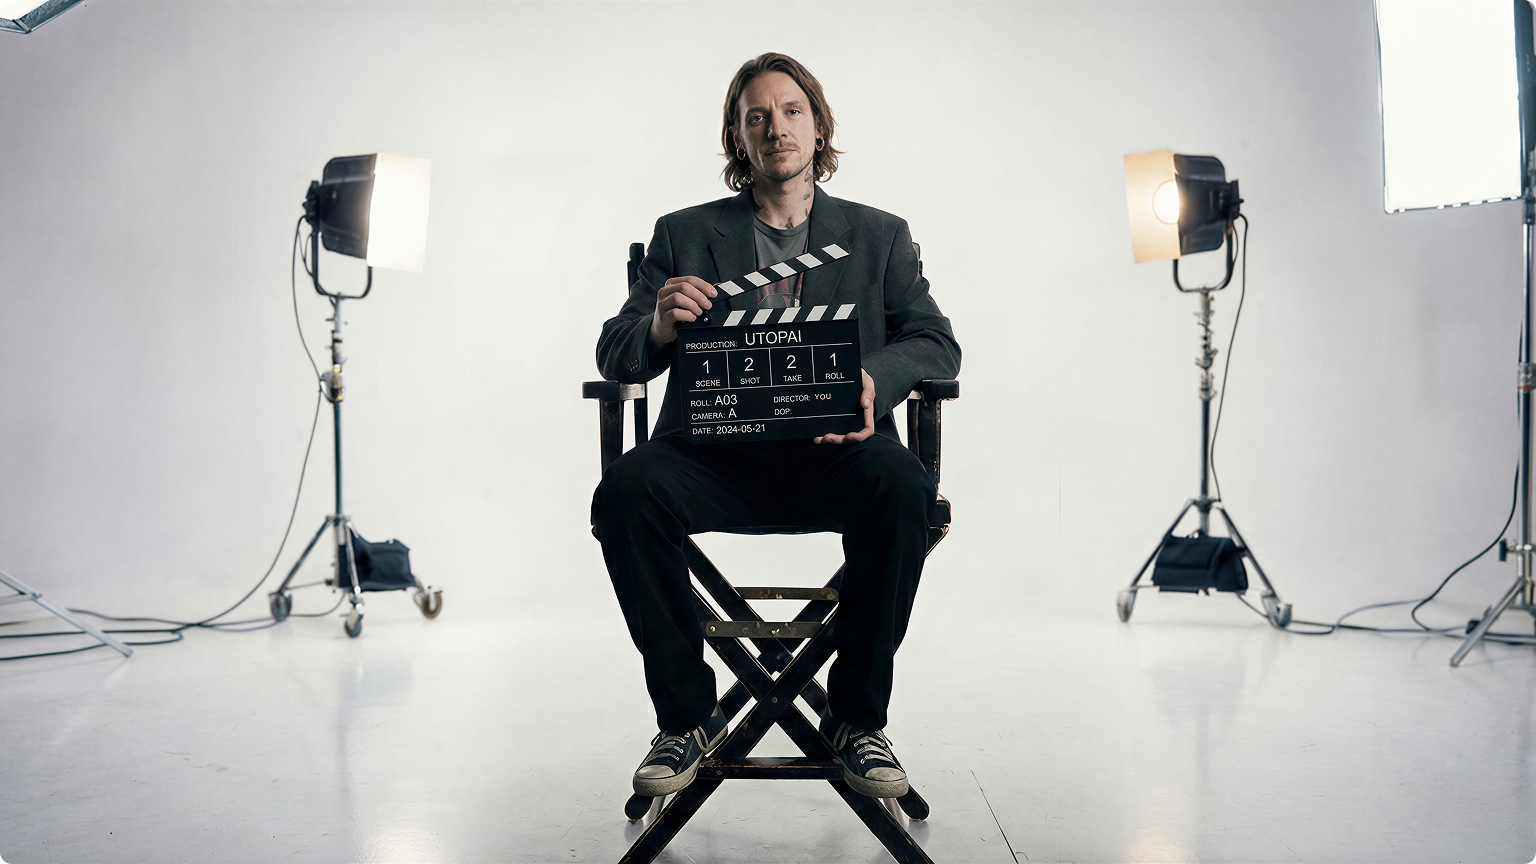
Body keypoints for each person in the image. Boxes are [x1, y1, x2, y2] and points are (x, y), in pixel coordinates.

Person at [591, 52, 961, 801]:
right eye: (755, 116)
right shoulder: (682, 235)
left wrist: (873, 379)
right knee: (626, 490)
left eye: (791, 110)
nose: (776, 127)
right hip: (710, 460)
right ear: (738, 138)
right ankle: (687, 720)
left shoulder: (879, 236)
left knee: (901, 483)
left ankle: (857, 722)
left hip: (835, 457)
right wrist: (659, 326)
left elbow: (935, 341)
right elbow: (615, 348)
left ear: (818, 125)